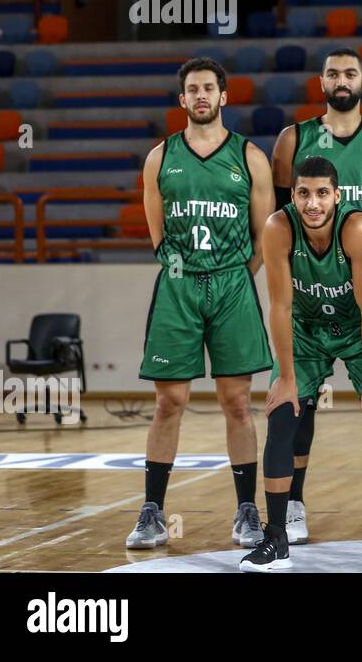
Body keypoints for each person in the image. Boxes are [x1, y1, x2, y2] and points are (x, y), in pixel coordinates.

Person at [127, 58, 273, 550]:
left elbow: (264, 236)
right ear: (182, 99)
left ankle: (247, 510)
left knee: (238, 402)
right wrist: (182, 271)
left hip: (232, 284)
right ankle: (152, 512)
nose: (201, 95)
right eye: (193, 89)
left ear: (224, 96)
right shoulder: (160, 157)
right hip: (179, 285)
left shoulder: (250, 156)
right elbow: (156, 232)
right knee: (169, 402)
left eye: (209, 88)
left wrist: (236, 276)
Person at [240, 157, 362, 572]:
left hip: (357, 327)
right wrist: (285, 377)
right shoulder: (279, 228)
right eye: (303, 193)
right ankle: (276, 538)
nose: (312, 203)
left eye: (321, 193)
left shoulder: (358, 228)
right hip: (306, 329)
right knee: (282, 417)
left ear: (337, 195)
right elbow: (280, 307)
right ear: (293, 195)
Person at [270, 47, 362, 545]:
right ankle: (291, 505)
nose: (341, 80)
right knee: (297, 407)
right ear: (321, 81)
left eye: (351, 73)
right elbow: (286, 210)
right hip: (309, 281)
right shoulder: (294, 139)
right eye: (333, 73)